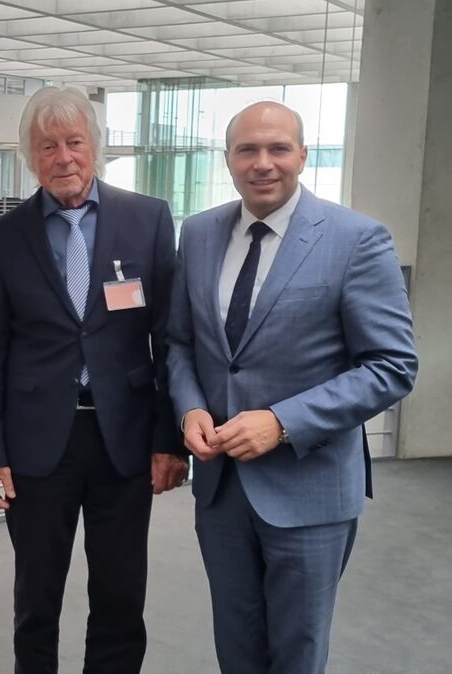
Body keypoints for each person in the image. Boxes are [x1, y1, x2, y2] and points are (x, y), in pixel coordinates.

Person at [167, 100, 418, 674]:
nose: (263, 163)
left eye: (278, 148)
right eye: (247, 150)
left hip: (310, 491)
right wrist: (189, 411)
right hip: (222, 490)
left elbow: (392, 364)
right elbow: (182, 344)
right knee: (237, 648)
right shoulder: (201, 233)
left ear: (302, 155)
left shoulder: (357, 239)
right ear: (227, 159)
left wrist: (282, 423)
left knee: (297, 654)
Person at [0, 86, 188, 673]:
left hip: (124, 440)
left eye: (74, 143)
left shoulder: (147, 219)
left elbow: (168, 337)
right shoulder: (3, 235)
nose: (63, 157)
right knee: (35, 601)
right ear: (30, 156)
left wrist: (168, 439)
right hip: (38, 445)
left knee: (120, 598)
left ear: (96, 147)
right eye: (48, 146)